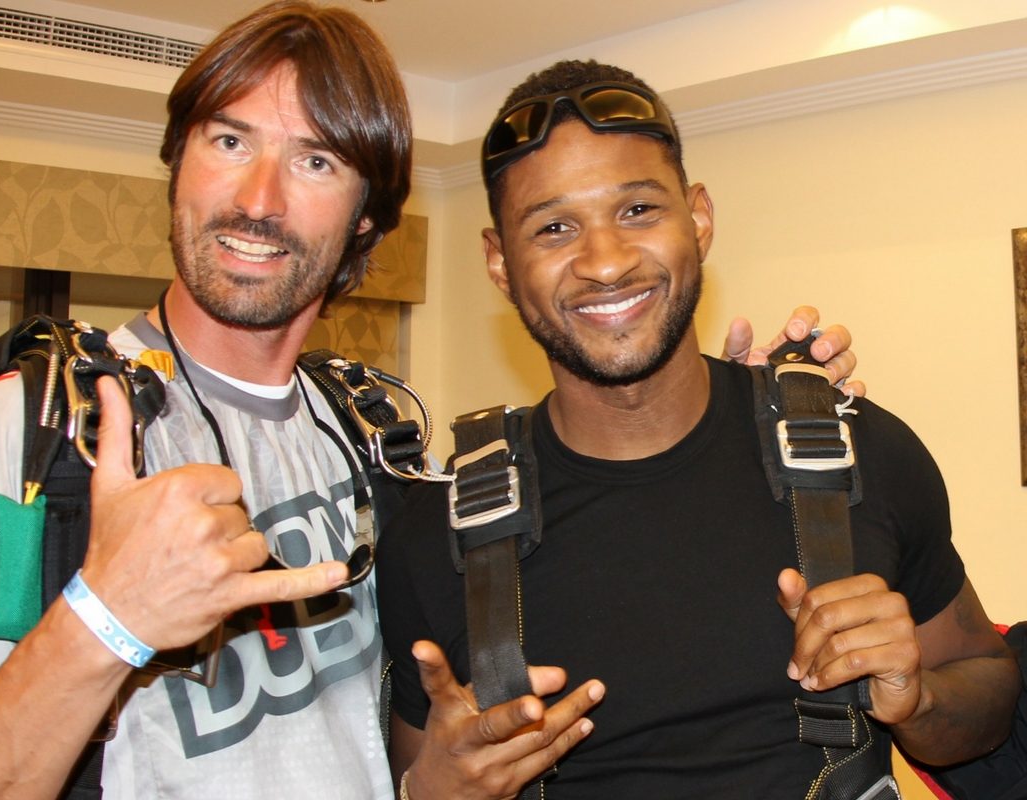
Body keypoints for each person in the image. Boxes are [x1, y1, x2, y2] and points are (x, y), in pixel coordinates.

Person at [0, 4, 860, 797]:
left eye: (315, 161)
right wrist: (107, 616)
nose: (259, 197)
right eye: (228, 139)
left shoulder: (377, 439)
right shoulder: (42, 426)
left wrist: (752, 408)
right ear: (177, 163)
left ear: (365, 223)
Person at [376, 59, 1021, 799]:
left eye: (639, 210)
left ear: (700, 219)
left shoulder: (861, 454)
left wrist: (919, 700)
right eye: (554, 227)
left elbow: (989, 694)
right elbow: (420, 774)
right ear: (499, 263)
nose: (606, 262)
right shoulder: (434, 537)